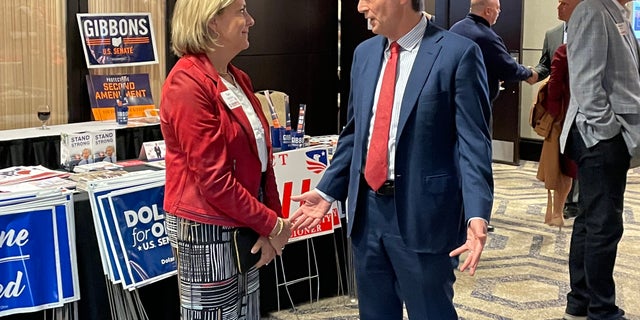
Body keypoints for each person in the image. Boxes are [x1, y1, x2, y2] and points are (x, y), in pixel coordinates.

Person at [289, 0, 494, 318]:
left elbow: (473, 144)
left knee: (430, 312)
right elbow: (355, 135)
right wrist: (328, 190)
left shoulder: (457, 53)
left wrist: (477, 214)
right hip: (367, 216)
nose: (359, 7)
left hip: (425, 216)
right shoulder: (365, 54)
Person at [160, 0, 291, 318]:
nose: (251, 20)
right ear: (211, 22)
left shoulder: (237, 78)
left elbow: (262, 160)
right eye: (241, 11)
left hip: (245, 220)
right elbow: (214, 181)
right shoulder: (186, 84)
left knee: (247, 312)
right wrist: (272, 224)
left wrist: (270, 222)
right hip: (205, 228)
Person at [559, 0, 640, 318]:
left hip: (604, 136)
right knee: (604, 226)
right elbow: (587, 84)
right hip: (598, 136)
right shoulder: (593, 9)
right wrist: (609, 133)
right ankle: (602, 310)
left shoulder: (616, 10)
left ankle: (580, 302)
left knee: (591, 220)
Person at [530, 0, 583, 220]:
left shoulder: (590, 33)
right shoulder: (552, 34)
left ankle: (575, 203)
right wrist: (529, 74)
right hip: (557, 108)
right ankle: (560, 204)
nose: (558, 6)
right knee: (556, 157)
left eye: (564, 3)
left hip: (580, 108)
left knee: (576, 157)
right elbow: (546, 64)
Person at [450, 0, 536, 103]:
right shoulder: (486, 37)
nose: (499, 11)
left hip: (452, 99)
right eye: (497, 8)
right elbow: (509, 69)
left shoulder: (455, 29)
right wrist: (529, 73)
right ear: (488, 11)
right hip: (475, 104)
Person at [535, 44, 577, 229]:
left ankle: (559, 212)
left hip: (566, 117)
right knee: (565, 167)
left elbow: (555, 85)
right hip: (568, 118)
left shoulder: (565, 50)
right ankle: (558, 212)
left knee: (563, 167)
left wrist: (554, 114)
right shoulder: (562, 47)